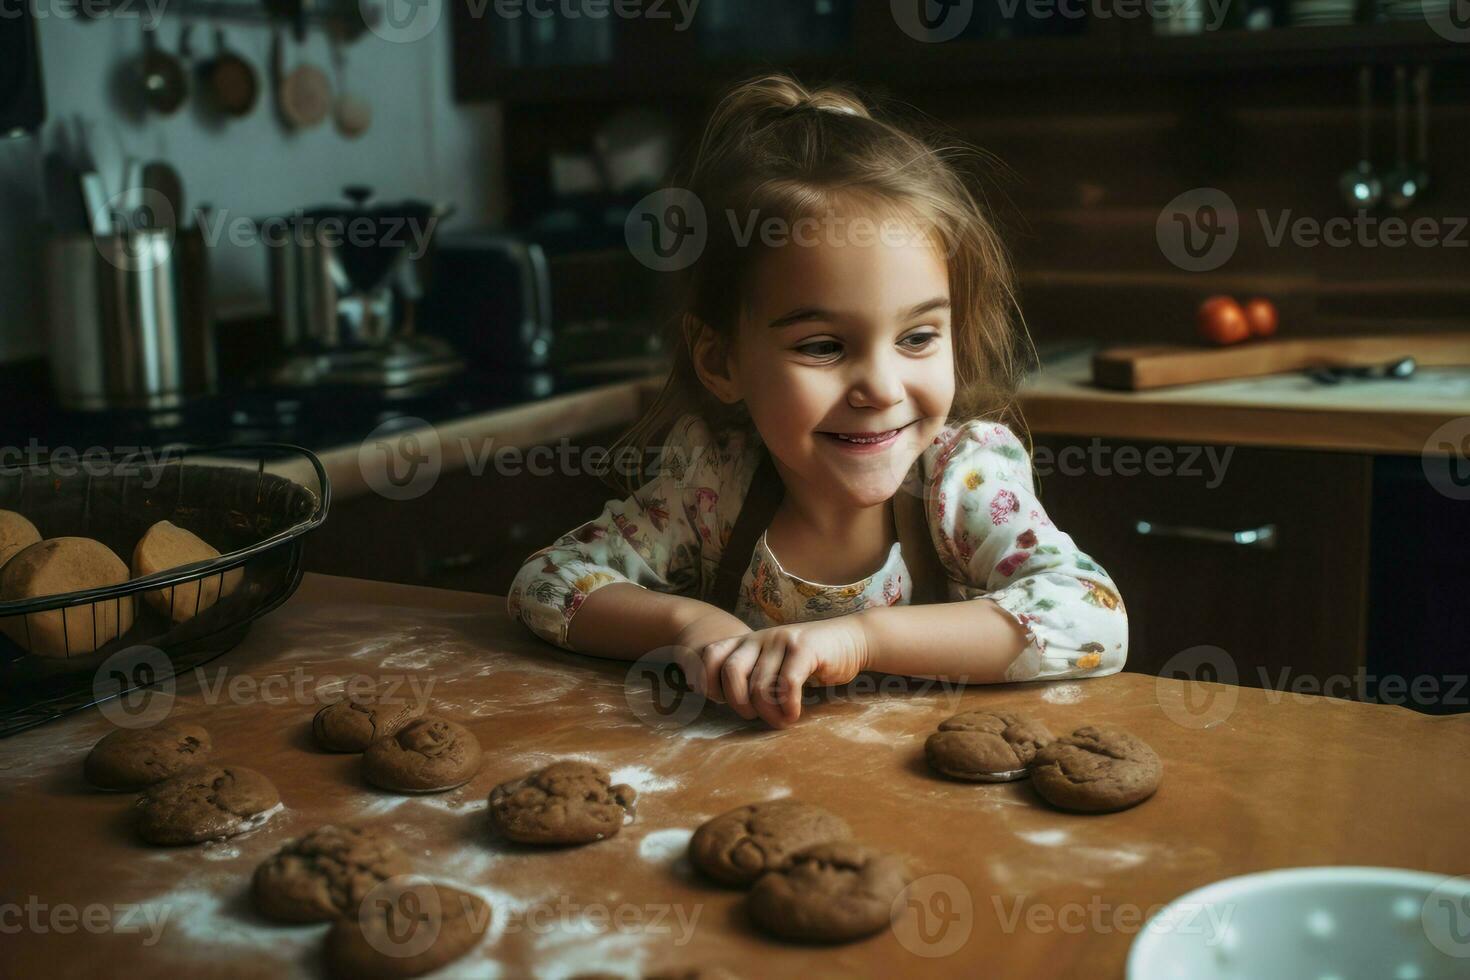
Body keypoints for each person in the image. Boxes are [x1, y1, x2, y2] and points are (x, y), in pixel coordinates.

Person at [508, 73, 1126, 728]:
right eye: (824, 347)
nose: (882, 389)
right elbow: (545, 584)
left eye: (917, 337)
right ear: (721, 361)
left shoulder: (960, 485)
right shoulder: (711, 490)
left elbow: (1094, 619)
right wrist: (690, 625)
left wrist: (861, 640)